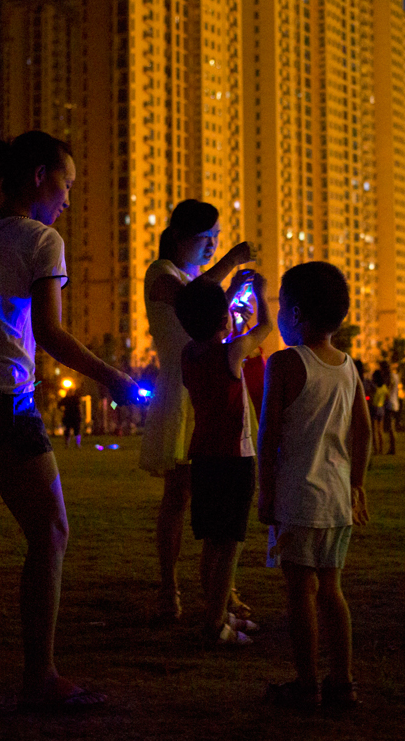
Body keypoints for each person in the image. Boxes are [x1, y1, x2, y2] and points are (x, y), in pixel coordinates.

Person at [0, 131, 137, 711]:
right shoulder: (42, 240)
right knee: (51, 532)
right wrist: (113, 378)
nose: (67, 198)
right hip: (1, 404)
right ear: (39, 177)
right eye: (65, 184)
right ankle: (40, 677)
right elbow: (51, 334)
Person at [257, 262, 372, 709]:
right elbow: (362, 431)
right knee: (332, 590)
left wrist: (266, 492)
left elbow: (268, 435)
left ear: (297, 313)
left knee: (300, 593)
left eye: (281, 306)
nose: (279, 315)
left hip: (298, 498)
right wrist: (357, 484)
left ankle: (306, 686)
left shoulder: (286, 362)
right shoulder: (347, 366)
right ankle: (342, 683)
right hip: (336, 499)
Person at [140, 199, 256, 623]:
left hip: (209, 389)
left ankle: (220, 588)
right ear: (180, 237)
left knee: (218, 496)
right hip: (180, 391)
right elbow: (194, 302)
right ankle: (169, 587)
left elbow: (209, 316)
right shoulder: (162, 274)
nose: (212, 246)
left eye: (218, 239)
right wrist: (231, 262)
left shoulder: (193, 279)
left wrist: (234, 306)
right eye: (207, 239)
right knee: (179, 495)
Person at [176, 272, 272, 646]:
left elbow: (212, 336)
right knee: (230, 541)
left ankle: (214, 612)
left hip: (202, 457)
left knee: (211, 541)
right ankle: (216, 624)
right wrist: (261, 293)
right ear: (222, 319)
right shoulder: (231, 352)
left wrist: (227, 304)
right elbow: (264, 327)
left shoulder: (188, 354)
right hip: (234, 458)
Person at [370, 369, 388, 457]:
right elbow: (387, 397)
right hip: (382, 408)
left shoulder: (374, 386)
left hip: (375, 407)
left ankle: (376, 450)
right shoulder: (384, 387)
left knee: (374, 430)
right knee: (381, 430)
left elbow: (370, 396)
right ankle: (382, 449)